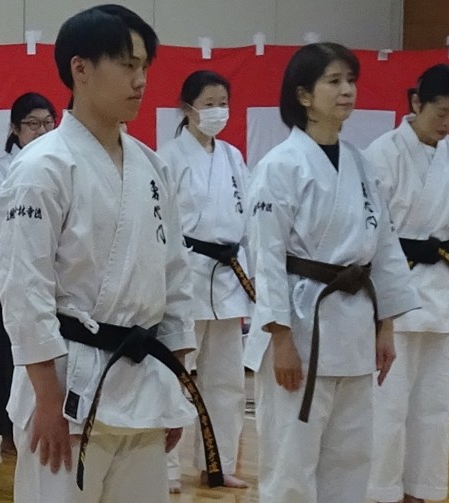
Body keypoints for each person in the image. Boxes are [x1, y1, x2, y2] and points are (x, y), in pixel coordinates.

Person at [0, 5, 211, 502]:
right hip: (68, 383)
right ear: (81, 69)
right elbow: (24, 289)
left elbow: (174, 277)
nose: (141, 80)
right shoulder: (42, 167)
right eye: (127, 65)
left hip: (144, 382)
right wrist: (46, 398)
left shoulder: (151, 167)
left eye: (145, 67)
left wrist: (174, 384)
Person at [242, 42, 419, 503]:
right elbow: (266, 259)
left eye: (351, 81)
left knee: (351, 457)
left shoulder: (362, 164)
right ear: (304, 95)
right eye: (334, 81)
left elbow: (384, 247)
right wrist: (281, 339)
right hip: (302, 328)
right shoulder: (279, 166)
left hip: (355, 326)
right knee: (291, 460)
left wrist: (386, 325)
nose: (347, 91)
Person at [364, 64, 449, 503]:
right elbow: (372, 232)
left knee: (434, 402)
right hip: (395, 283)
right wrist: (381, 302)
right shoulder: (382, 153)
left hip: (441, 287)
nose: (448, 124)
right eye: (441, 113)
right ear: (416, 103)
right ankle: (380, 491)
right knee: (387, 403)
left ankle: (421, 489)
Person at [158, 70, 251, 492]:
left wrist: (252, 277)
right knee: (176, 374)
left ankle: (217, 464)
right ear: (187, 108)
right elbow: (161, 226)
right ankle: (165, 467)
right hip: (187, 274)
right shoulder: (168, 158)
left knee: (226, 380)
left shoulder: (232, 157)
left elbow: (247, 222)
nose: (217, 111)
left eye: (222, 103)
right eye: (209, 104)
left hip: (228, 277)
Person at [0, 91, 57, 457]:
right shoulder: (1, 170)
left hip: (56, 267)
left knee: (49, 347)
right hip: (13, 266)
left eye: (48, 123)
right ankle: (7, 430)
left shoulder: (62, 164)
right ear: (15, 128)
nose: (41, 130)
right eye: (32, 123)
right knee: (6, 350)